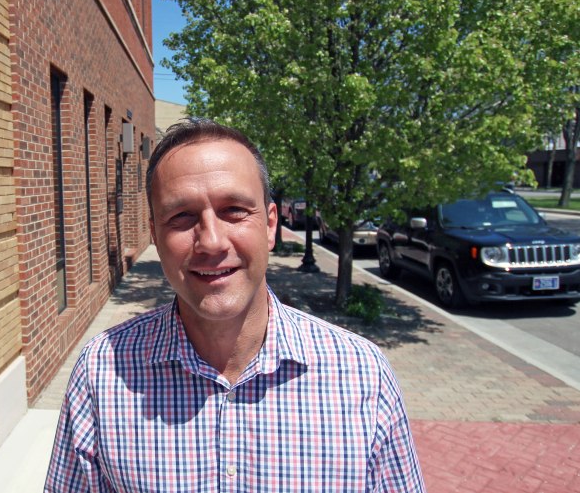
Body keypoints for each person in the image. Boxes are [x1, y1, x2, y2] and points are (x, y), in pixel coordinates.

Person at [45, 118, 426, 492]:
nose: (211, 241)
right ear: (154, 237)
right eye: (182, 217)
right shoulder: (101, 373)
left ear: (271, 224)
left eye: (234, 211)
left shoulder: (362, 375)